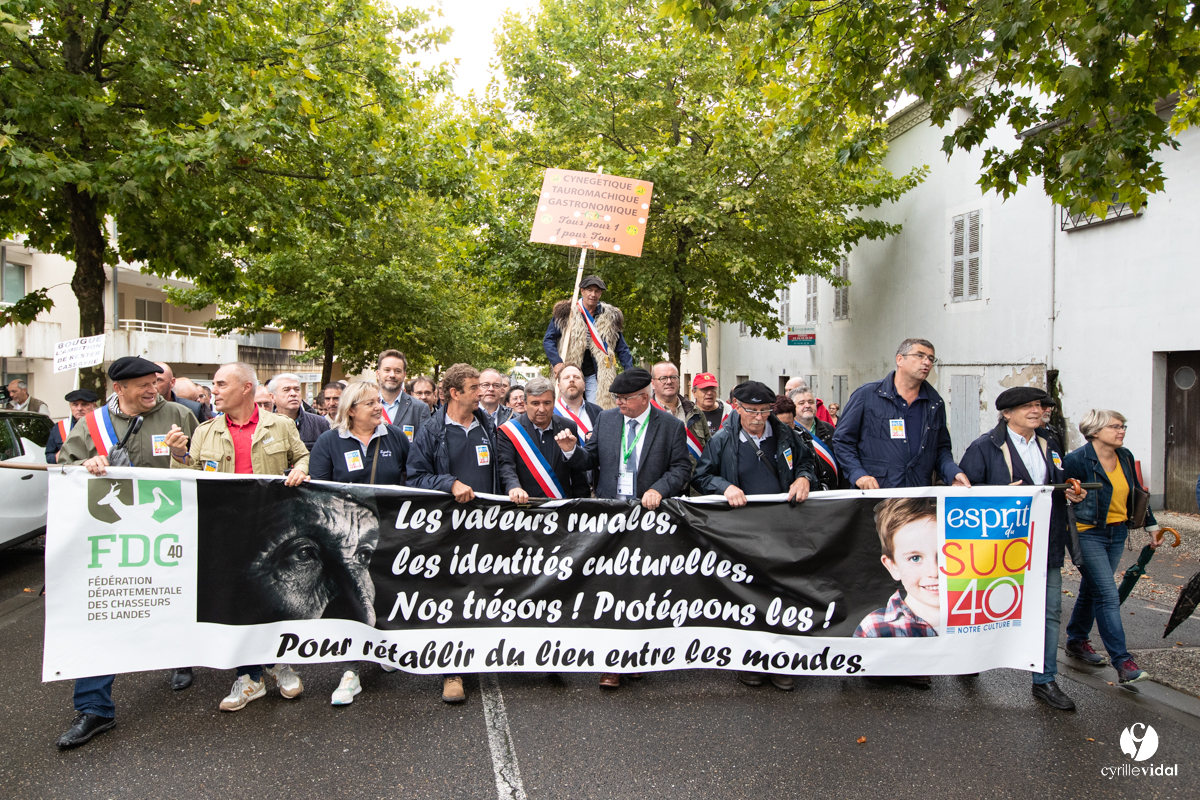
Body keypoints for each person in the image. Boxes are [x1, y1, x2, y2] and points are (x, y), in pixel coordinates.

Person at [54, 356, 199, 749]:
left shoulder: (180, 415)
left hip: (168, 531)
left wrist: (184, 455)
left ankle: (181, 657)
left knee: (175, 600)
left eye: (155, 382)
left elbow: (205, 469)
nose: (153, 389)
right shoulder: (93, 423)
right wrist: (87, 463)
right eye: (143, 385)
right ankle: (94, 708)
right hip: (114, 537)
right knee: (103, 613)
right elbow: (63, 469)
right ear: (119, 389)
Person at [164, 362, 311, 711]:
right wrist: (177, 454)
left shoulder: (282, 425)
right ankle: (249, 678)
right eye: (213, 385)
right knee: (237, 602)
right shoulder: (205, 431)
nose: (213, 390)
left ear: (246, 387)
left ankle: (279, 662)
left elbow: (302, 456)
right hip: (226, 531)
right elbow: (188, 478)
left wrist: (301, 470)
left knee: (273, 597)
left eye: (220, 384)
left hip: (272, 529)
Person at [959, 387, 1086, 710]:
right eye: (1028, 406)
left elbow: (1056, 482)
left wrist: (1070, 491)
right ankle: (970, 657)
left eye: (1039, 406)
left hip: (1046, 541)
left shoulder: (1051, 444)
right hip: (998, 548)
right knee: (986, 607)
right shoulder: (984, 448)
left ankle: (1044, 680)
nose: (1036, 410)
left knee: (1049, 611)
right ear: (1006, 413)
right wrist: (995, 491)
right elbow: (963, 494)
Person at [691, 381, 815, 691]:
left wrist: (803, 478)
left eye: (764, 411)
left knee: (783, 592)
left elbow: (807, 463)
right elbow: (702, 475)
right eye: (751, 411)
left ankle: (782, 660)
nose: (759, 418)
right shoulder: (722, 439)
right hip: (743, 528)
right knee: (748, 595)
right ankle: (752, 659)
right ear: (736, 407)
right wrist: (726, 487)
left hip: (783, 526)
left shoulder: (788, 435)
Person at [577, 368, 691, 689]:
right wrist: (573, 449)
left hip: (648, 520)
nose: (618, 402)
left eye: (625, 398)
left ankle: (637, 655)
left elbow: (681, 468)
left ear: (645, 398)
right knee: (610, 588)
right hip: (612, 518)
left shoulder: (670, 427)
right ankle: (611, 662)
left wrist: (658, 488)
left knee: (641, 588)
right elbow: (591, 459)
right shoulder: (608, 420)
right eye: (616, 398)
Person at [308, 380, 410, 705]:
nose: (379, 407)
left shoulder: (394, 437)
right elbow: (320, 489)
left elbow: (410, 478)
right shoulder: (328, 441)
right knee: (354, 599)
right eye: (370, 404)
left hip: (390, 532)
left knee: (386, 591)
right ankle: (351, 672)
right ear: (351, 410)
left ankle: (382, 648)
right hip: (346, 540)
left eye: (379, 402)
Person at [406, 363, 500, 705]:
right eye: (474, 388)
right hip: (448, 529)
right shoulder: (431, 431)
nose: (482, 393)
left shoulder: (487, 425)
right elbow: (414, 477)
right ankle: (452, 669)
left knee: (482, 590)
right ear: (454, 393)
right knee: (451, 596)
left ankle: (481, 653)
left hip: (486, 527)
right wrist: (449, 483)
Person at [1062, 409, 1163, 685]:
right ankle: (1123, 662)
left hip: (1117, 533)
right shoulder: (1076, 460)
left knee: (1092, 589)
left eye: (1123, 426)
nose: (1122, 430)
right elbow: (1061, 498)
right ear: (1095, 431)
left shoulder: (1125, 456)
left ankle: (1077, 640)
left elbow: (1138, 491)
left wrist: (1152, 527)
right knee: (1107, 594)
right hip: (1087, 533)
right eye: (1115, 426)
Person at [832, 338, 970, 491]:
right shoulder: (867, 395)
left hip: (917, 496)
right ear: (899, 359)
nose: (927, 362)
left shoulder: (935, 403)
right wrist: (857, 474)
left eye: (931, 358)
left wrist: (952, 472)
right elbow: (842, 440)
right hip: (875, 495)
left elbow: (941, 448)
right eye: (920, 355)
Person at [853, 498, 941, 637]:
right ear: (892, 566)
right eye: (915, 558)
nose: (934, 572)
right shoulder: (874, 629)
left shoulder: (983, 623)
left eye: (946, 556)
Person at [544, 275, 634, 407]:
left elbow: (622, 348)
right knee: (567, 405)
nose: (593, 294)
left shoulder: (609, 316)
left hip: (597, 372)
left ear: (601, 293)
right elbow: (548, 339)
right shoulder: (566, 312)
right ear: (582, 291)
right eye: (590, 290)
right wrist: (557, 362)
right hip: (570, 369)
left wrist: (629, 371)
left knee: (597, 407)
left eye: (597, 291)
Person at [497, 377, 591, 502]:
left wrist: (583, 505)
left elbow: (578, 473)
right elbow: (506, 466)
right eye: (535, 403)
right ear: (525, 404)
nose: (541, 409)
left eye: (547, 403)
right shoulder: (510, 430)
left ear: (554, 402)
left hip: (561, 507)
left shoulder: (568, 426)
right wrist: (513, 487)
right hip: (525, 507)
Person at [790, 388, 844, 491]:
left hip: (832, 493)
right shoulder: (789, 432)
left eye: (811, 402)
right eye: (801, 403)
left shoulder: (829, 429)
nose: (807, 405)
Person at [268, 372, 331, 451]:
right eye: (286, 390)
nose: (293, 394)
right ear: (273, 397)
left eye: (297, 389)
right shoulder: (265, 426)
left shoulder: (319, 423)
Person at [377, 349, 430, 442]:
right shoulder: (364, 406)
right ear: (378, 374)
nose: (392, 375)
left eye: (397, 371)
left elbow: (425, 447)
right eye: (387, 370)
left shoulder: (419, 409)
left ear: (404, 375)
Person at [45, 388, 99, 463]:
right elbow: (49, 456)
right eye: (75, 404)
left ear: (94, 406)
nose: (79, 408)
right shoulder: (60, 427)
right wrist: (55, 457)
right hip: (68, 472)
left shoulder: (101, 425)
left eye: (84, 404)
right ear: (70, 406)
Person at [554, 365, 603, 442]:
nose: (571, 380)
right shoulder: (550, 413)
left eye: (576, 377)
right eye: (566, 378)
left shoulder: (598, 412)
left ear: (584, 385)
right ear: (558, 387)